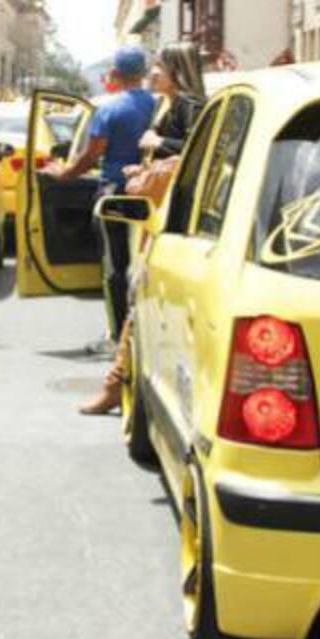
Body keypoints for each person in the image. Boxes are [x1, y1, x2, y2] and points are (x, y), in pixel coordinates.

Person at [79, 43, 208, 417]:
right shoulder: (164, 104)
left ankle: (117, 384)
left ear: (177, 71)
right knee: (139, 294)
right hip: (160, 208)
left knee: (137, 294)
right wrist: (144, 168)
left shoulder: (189, 106)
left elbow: (197, 152)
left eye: (159, 67)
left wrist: (159, 143)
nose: (152, 73)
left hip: (173, 214)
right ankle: (122, 381)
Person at [43, 45, 155, 356]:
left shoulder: (109, 109)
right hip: (152, 194)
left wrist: (65, 174)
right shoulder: (158, 105)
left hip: (115, 195)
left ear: (116, 75)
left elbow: (91, 154)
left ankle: (119, 336)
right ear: (143, 74)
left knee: (115, 268)